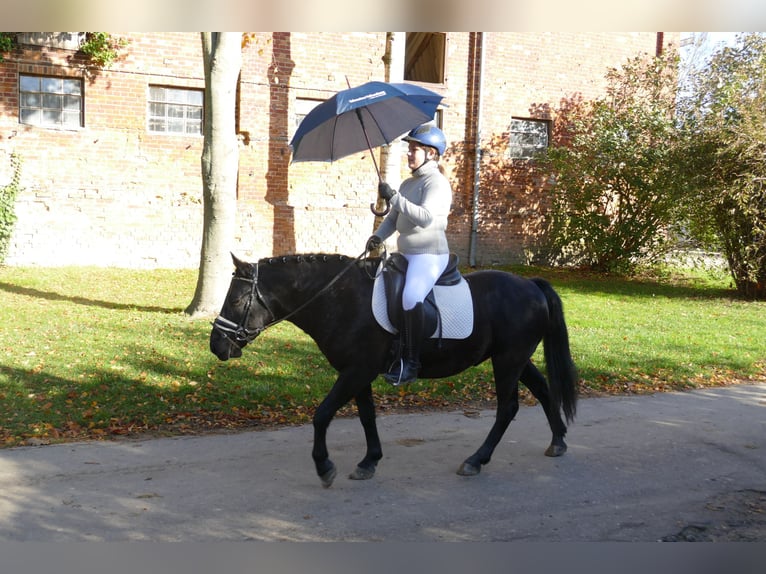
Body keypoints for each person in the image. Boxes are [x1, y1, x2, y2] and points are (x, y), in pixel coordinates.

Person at [366, 122, 453, 386]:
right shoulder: (408, 183)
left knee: (411, 297)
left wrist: (393, 197)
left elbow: (425, 218)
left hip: (429, 255)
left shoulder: (437, 183)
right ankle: (389, 350)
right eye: (409, 149)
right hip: (405, 254)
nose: (409, 153)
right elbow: (394, 218)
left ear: (432, 153)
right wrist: (377, 237)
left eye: (414, 149)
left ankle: (411, 363)